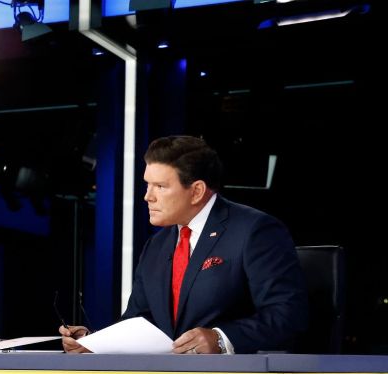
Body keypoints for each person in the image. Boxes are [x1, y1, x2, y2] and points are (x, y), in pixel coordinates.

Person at [61, 135, 307, 354]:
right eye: (147, 184)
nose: (148, 196)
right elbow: (139, 321)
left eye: (160, 186)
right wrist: (96, 343)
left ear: (197, 191)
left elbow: (287, 315)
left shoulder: (255, 231)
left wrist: (222, 339)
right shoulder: (156, 245)